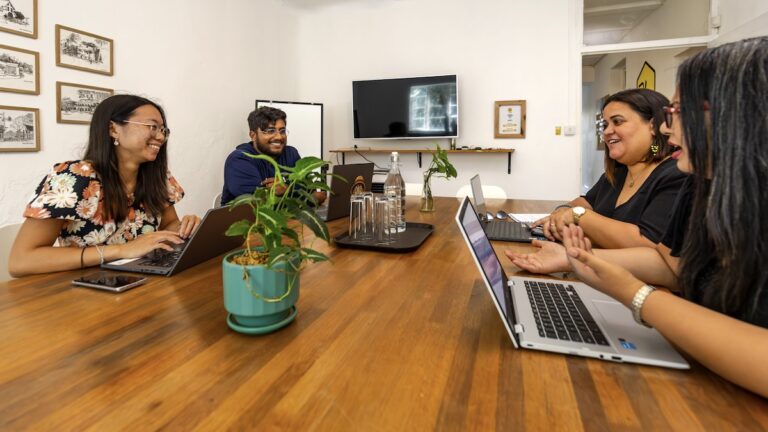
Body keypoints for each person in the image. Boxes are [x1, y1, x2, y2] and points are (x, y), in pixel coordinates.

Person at [520, 37, 768, 397]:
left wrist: (633, 293)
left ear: (737, 112)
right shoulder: (700, 184)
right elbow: (672, 266)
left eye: (678, 112)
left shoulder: (675, 175)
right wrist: (579, 260)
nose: (669, 129)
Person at [9, 95, 201, 277]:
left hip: (143, 279)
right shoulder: (74, 176)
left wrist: (184, 227)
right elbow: (21, 261)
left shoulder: (157, 176)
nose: (160, 137)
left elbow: (168, 225)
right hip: (85, 289)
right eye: (152, 126)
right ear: (113, 129)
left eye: (163, 130)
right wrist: (121, 250)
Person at [535, 88, 686, 249]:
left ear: (654, 126)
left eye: (618, 121)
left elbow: (648, 243)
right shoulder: (617, 173)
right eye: (605, 125)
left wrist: (578, 216)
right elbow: (585, 201)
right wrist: (562, 211)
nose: (607, 131)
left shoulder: (675, 175)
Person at [221, 107, 327, 206]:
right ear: (253, 135)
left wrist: (287, 191)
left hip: (289, 220)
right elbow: (262, 204)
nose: (279, 136)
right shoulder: (239, 160)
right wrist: (302, 196)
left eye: (282, 131)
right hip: (247, 223)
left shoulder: (291, 153)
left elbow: (309, 190)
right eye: (270, 131)